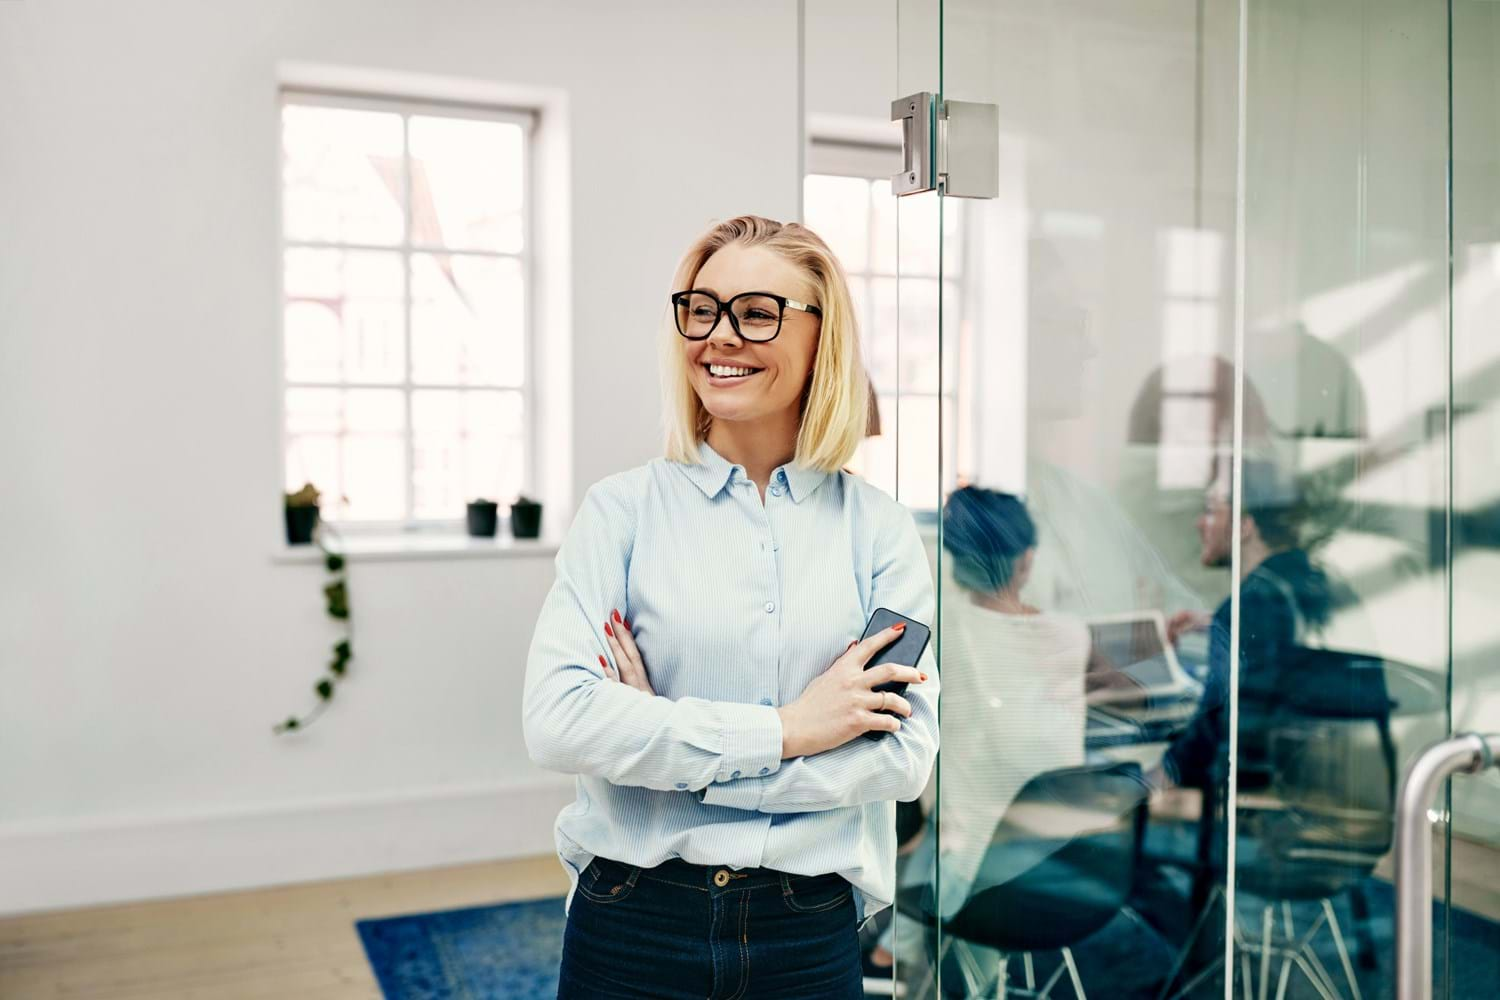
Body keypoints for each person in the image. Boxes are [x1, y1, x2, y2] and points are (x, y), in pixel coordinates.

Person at [523, 215, 941, 999]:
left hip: (804, 928)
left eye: (756, 313)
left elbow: (901, 757)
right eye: (701, 310)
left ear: (824, 339)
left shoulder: (878, 530)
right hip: (631, 920)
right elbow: (558, 720)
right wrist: (793, 729)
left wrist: (671, 753)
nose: (719, 337)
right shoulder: (620, 512)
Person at [866, 486, 1089, 984]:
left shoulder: (935, 632)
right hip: (1061, 859)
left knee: (944, 827)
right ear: (1026, 561)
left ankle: (893, 953)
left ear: (954, 558)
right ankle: (899, 950)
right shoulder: (1073, 635)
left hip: (967, 865)